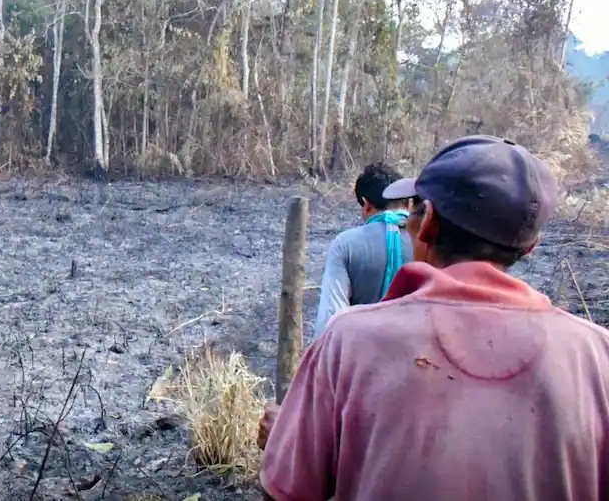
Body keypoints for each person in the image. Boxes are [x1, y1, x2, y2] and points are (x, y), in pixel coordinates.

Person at [258, 135, 609, 500]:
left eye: (413, 209)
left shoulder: (348, 341)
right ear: (530, 247)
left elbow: (285, 493)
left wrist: (287, 439)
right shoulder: (598, 357)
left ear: (426, 223)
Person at [311, 162, 415, 341]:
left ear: (366, 205)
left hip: (361, 359)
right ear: (407, 204)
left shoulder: (347, 244)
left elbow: (330, 318)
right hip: (421, 360)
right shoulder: (429, 240)